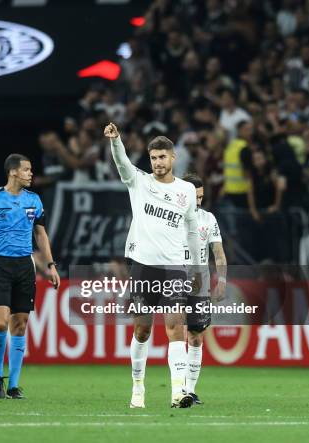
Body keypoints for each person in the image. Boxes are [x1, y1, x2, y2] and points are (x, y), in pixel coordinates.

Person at [104, 122, 202, 409]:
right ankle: (137, 387)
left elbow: (193, 231)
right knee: (143, 331)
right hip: (143, 266)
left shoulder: (186, 190)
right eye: (153, 158)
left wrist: (196, 268)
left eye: (162, 157)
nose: (158, 162)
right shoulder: (140, 182)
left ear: (173, 158)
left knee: (175, 328)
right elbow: (122, 163)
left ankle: (178, 391)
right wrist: (116, 140)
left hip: (174, 268)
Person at [0, 154, 60, 400]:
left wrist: (51, 265)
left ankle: (13, 385)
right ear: (13, 172)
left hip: (25, 265)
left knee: (19, 324)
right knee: (0, 321)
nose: (31, 174)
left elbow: (41, 235)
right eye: (27, 170)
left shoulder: (34, 200)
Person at [182, 174, 227, 405]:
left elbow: (218, 253)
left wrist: (222, 280)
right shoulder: (172, 218)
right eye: (194, 196)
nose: (198, 201)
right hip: (174, 280)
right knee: (179, 334)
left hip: (199, 284)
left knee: (196, 337)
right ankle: (178, 389)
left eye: (201, 196)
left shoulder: (208, 219)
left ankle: (190, 390)